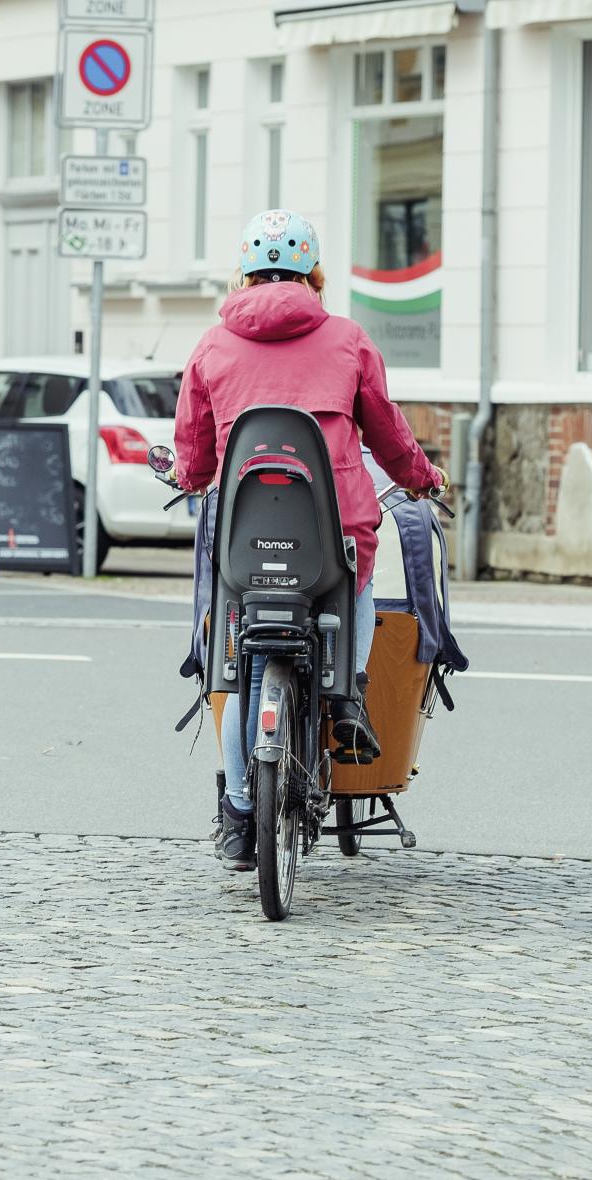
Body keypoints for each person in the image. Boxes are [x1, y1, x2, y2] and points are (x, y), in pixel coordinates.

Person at [172, 210, 447, 870]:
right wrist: (420, 477)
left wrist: (193, 477)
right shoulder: (349, 340)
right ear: (314, 275)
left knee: (238, 672)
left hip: (245, 538)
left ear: (244, 275)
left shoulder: (212, 346)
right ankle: (347, 690)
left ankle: (239, 816)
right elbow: (387, 432)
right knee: (353, 577)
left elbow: (194, 444)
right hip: (332, 532)